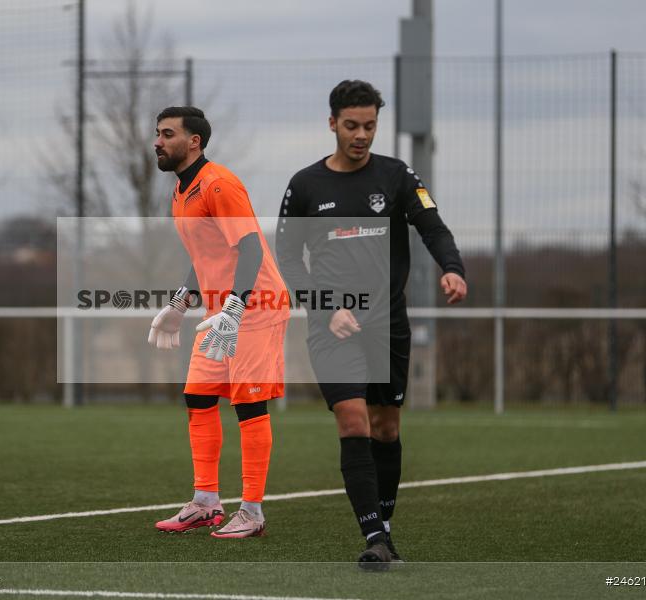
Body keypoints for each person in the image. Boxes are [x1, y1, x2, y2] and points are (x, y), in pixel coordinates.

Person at [276, 80, 467, 566]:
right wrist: (325, 307)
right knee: (353, 419)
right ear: (332, 123)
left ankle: (383, 530)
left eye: (370, 126)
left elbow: (433, 227)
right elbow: (288, 261)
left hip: (387, 322)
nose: (361, 135)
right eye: (352, 125)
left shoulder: (398, 176)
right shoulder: (304, 186)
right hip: (330, 324)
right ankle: (374, 540)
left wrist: (452, 268)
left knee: (384, 427)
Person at [149, 106, 290, 538]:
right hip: (221, 310)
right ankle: (206, 503)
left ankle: (252, 512)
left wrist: (233, 308)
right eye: (157, 133)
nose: (157, 141)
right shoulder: (180, 193)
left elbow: (249, 249)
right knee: (198, 398)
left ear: (194, 141)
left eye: (167, 133)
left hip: (255, 306)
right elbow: (207, 257)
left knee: (248, 404)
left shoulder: (220, 184)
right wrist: (178, 306)